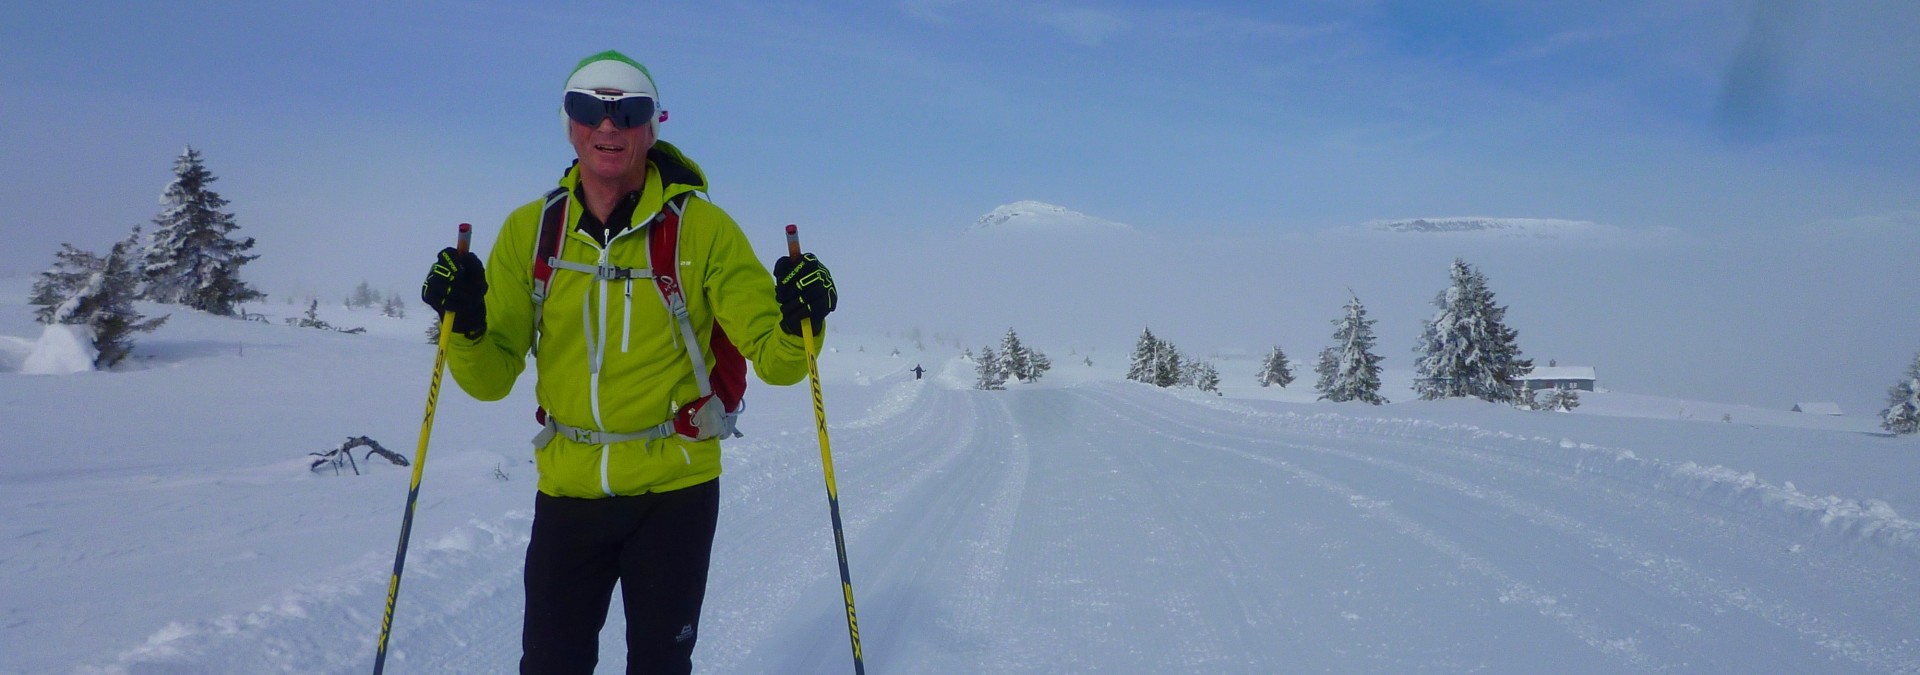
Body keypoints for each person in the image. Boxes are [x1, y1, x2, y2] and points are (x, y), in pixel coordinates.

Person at [421, 50, 837, 674]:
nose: (608, 126)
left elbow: (779, 364)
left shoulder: (704, 230)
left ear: (653, 126)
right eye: (589, 108)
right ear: (568, 122)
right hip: (568, 491)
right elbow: (490, 379)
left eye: (628, 111)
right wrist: (468, 325)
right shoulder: (531, 232)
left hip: (675, 490)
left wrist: (804, 318)